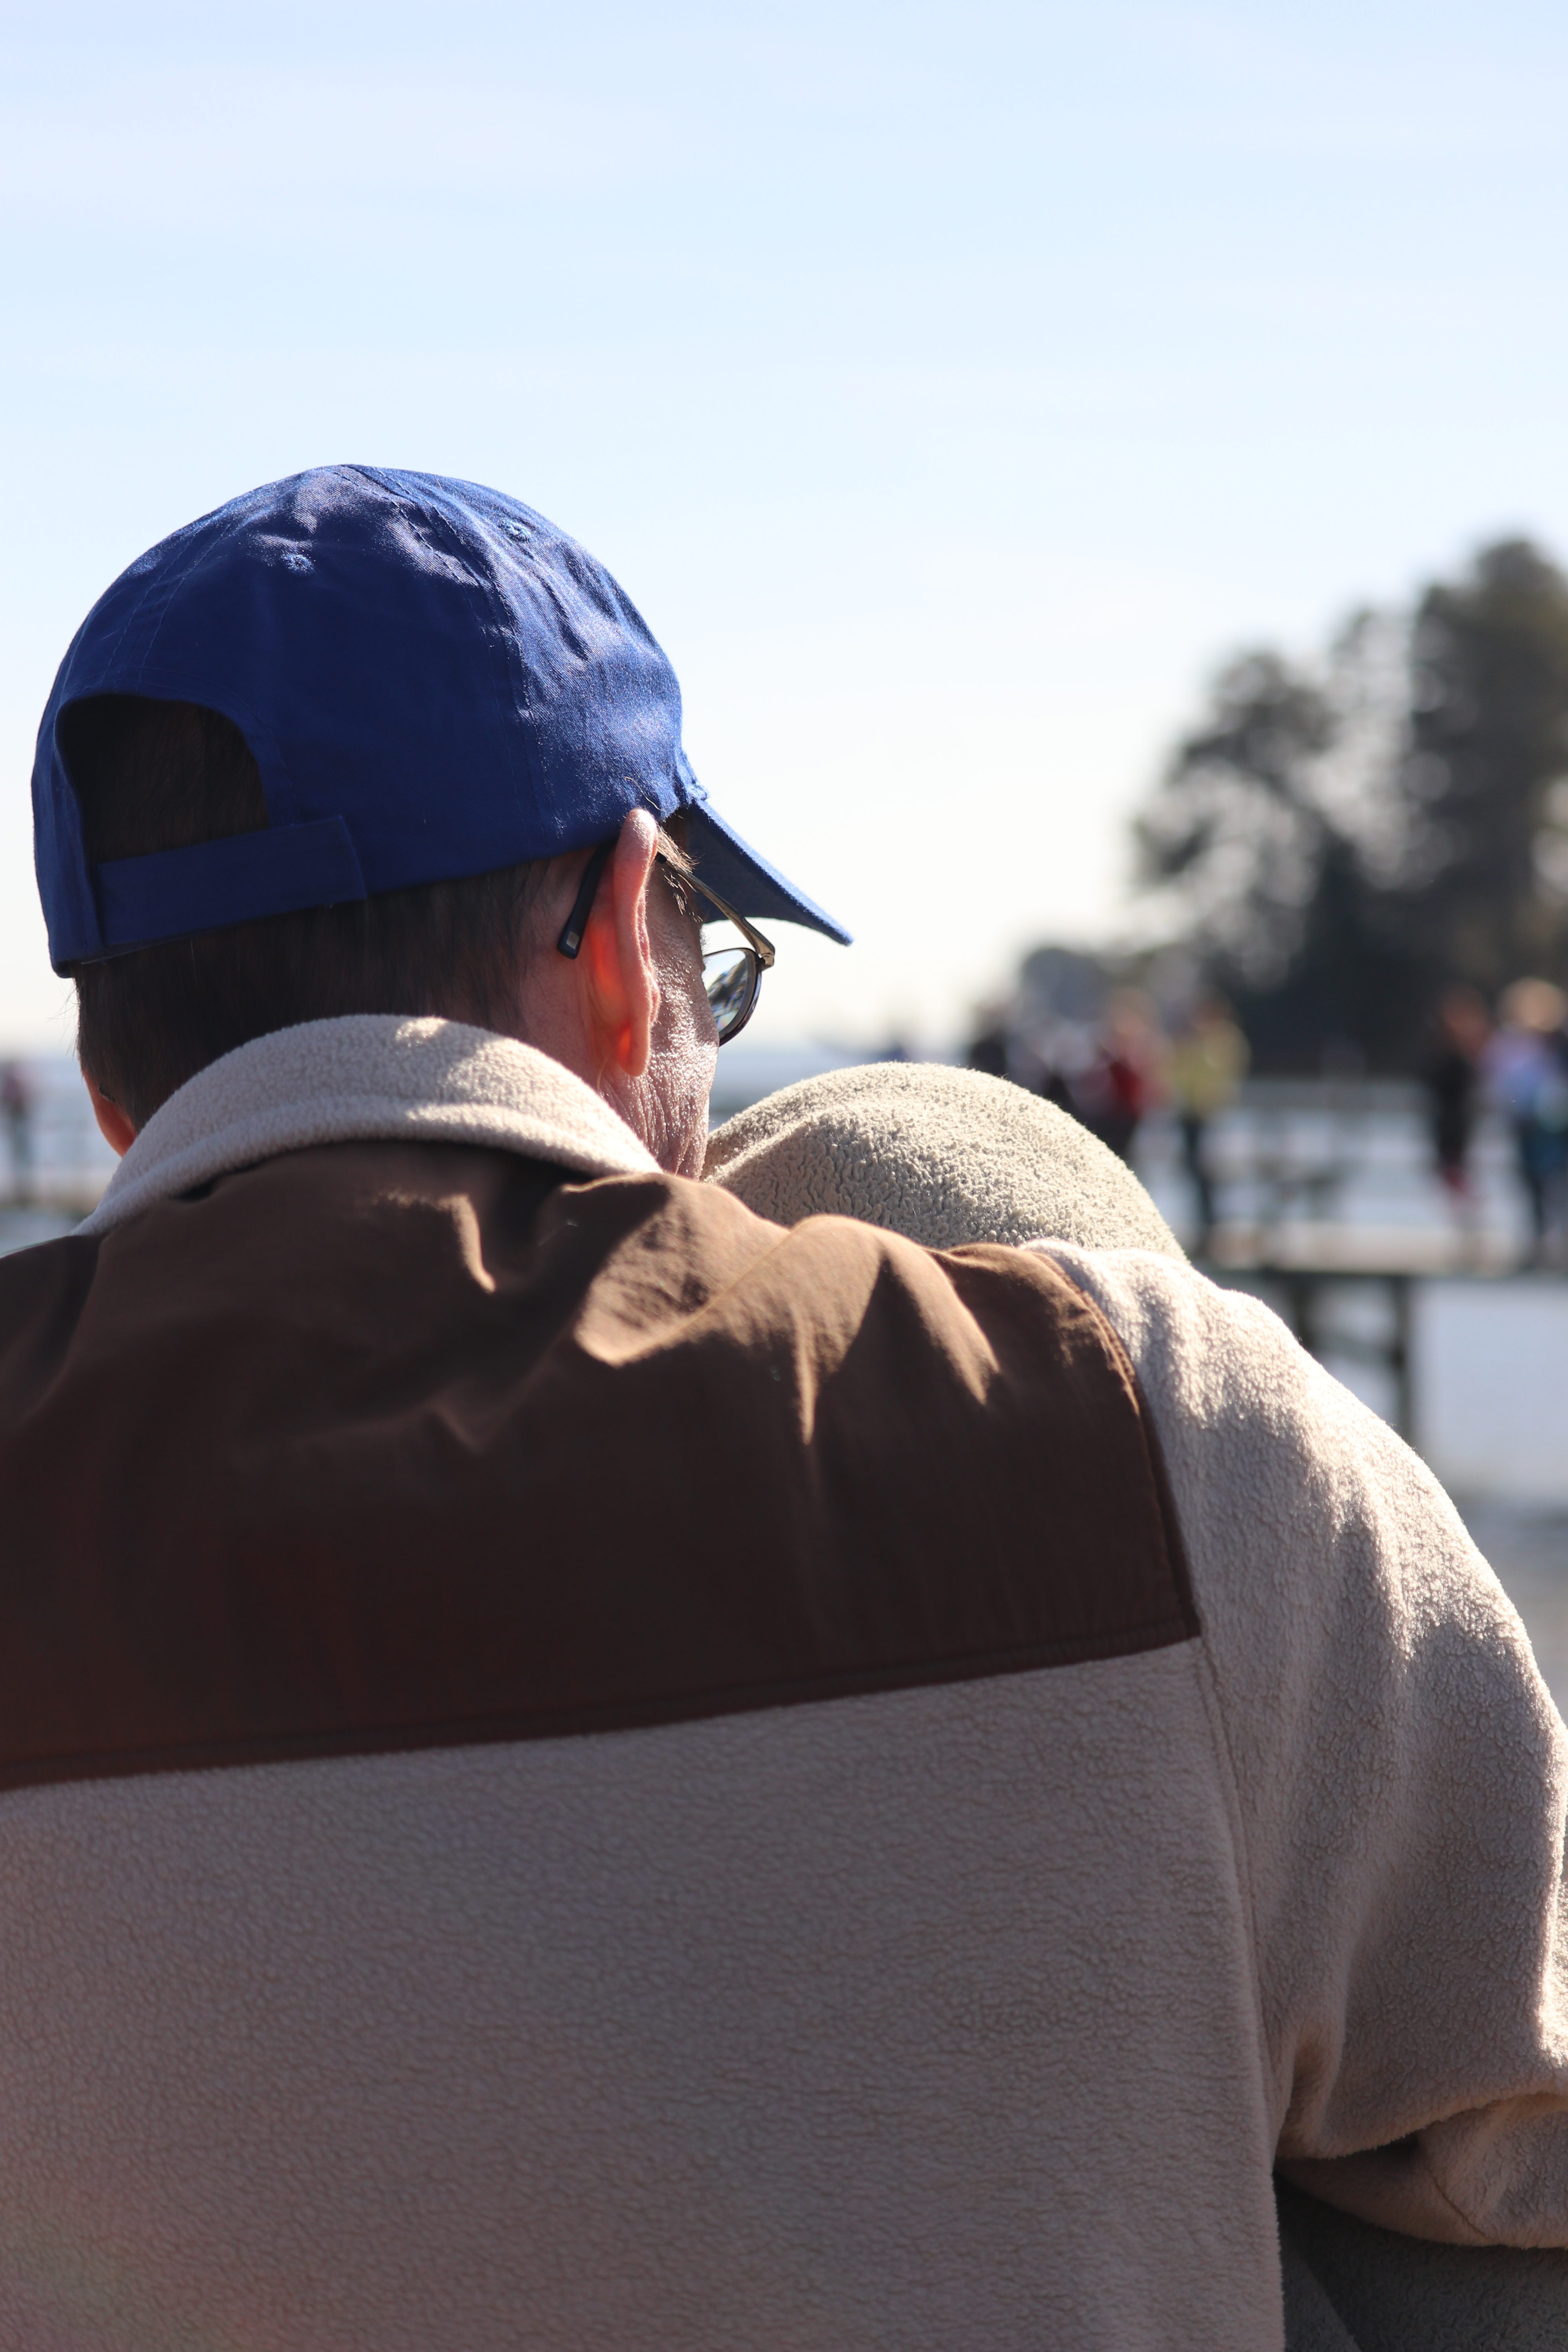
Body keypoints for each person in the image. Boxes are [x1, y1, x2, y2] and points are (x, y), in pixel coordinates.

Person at [4, 465, 1568, 2350]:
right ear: (606, 937)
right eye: (703, 962)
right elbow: (1519, 2162)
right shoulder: (1136, 1425)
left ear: (107, 1065)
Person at [1485, 978, 1568, 1266]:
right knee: (1532, 1188)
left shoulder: (1558, 1045)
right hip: (1527, 1128)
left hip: (1556, 1129)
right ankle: (1540, 1242)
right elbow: (1501, 1087)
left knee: (1556, 1186)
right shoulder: (1508, 1045)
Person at [1168, 989, 1249, 1249]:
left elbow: (1222, 1072)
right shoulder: (1191, 1039)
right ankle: (1204, 1226)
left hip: (1212, 1115)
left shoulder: (1224, 1039)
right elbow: (1175, 1070)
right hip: (1189, 1113)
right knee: (1194, 1171)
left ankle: (1213, 1227)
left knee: (1210, 1171)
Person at [1419, 985, 1490, 1230]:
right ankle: (1465, 1220)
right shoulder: (1441, 1046)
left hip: (1457, 1121)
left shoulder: (1466, 1055)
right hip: (1444, 1119)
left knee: (1454, 1170)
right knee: (1447, 1171)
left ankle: (1470, 1219)